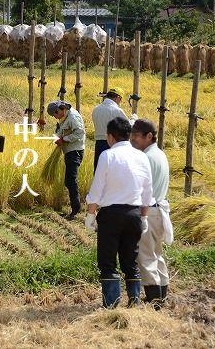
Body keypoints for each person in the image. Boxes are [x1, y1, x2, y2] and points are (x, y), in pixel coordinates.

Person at [85, 117, 153, 308]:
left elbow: (97, 190)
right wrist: (144, 217)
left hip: (111, 215)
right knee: (130, 261)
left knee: (107, 262)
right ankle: (134, 303)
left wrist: (91, 215)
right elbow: (148, 192)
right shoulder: (142, 156)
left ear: (110, 137)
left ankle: (111, 306)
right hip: (134, 215)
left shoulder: (108, 155)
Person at [130, 119, 173, 309]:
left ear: (149, 136)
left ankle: (154, 300)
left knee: (146, 257)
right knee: (157, 255)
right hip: (158, 211)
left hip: (149, 211)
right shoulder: (159, 154)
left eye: (136, 136)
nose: (133, 140)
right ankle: (162, 295)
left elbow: (138, 187)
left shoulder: (146, 158)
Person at [46, 100, 86, 220]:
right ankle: (75, 208)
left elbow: (80, 133)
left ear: (59, 110)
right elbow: (62, 131)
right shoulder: (65, 116)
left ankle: (76, 209)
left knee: (70, 180)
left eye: (55, 114)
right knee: (69, 181)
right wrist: (58, 137)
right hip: (69, 151)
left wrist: (64, 139)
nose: (55, 117)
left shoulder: (73, 117)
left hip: (75, 151)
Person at [91, 87, 131, 172]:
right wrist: (134, 120)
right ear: (118, 97)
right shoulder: (116, 110)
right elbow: (127, 127)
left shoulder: (96, 109)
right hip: (112, 144)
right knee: (112, 173)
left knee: (99, 171)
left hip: (98, 143)